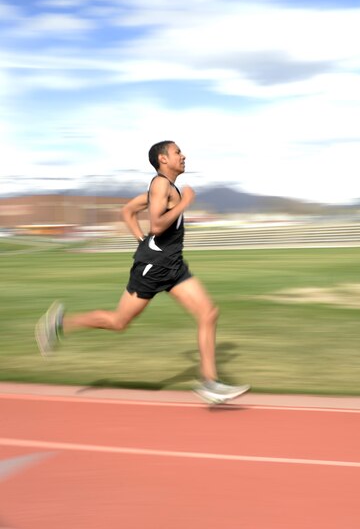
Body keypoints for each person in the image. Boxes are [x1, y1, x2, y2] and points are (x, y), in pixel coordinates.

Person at [35, 141, 249, 404]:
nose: (183, 156)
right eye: (177, 152)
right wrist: (185, 205)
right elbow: (157, 225)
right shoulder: (160, 185)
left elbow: (127, 211)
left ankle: (209, 383)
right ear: (163, 159)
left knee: (208, 313)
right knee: (119, 322)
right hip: (153, 269)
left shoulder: (167, 188)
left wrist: (142, 241)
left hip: (173, 265)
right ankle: (59, 324)